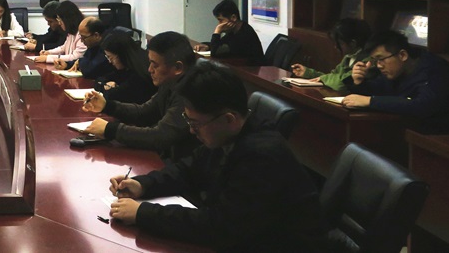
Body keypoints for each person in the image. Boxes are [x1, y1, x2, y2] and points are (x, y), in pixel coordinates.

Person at [107, 61, 328, 252]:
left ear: (229, 119)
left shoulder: (262, 156)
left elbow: (220, 227)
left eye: (195, 123)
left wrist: (143, 213)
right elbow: (188, 169)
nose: (191, 130)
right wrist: (142, 184)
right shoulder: (229, 134)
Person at [81, 31, 199, 160]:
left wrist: (110, 130)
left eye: (155, 65)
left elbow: (160, 136)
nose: (149, 69)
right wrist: (106, 106)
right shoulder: (170, 83)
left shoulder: (190, 93)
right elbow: (144, 112)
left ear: (177, 68)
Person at [342, 30, 449, 134]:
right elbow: (378, 89)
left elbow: (422, 105)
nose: (379, 65)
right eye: (375, 61)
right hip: (416, 131)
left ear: (402, 55)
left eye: (381, 59)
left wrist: (370, 101)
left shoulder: (435, 69)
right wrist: (359, 83)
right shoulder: (396, 70)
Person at [291, 18, 372, 91]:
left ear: (352, 43)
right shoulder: (348, 57)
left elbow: (341, 84)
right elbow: (332, 76)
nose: (336, 47)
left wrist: (324, 78)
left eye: (340, 43)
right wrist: (308, 73)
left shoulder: (367, 61)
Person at [94, 30, 156, 104]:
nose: (110, 61)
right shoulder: (126, 66)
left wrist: (108, 88)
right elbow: (99, 80)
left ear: (121, 55)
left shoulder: (139, 74)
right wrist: (105, 85)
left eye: (110, 57)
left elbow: (111, 95)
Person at [194, 0, 264, 65]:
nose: (219, 24)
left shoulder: (244, 34)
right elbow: (221, 44)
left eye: (221, 20)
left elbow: (215, 53)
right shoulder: (234, 31)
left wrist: (217, 31)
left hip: (252, 71)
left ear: (233, 18)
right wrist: (207, 46)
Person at [34, 0, 86, 67]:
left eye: (60, 20)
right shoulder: (71, 32)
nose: (59, 23)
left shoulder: (82, 33)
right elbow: (63, 48)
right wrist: (49, 52)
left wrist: (48, 58)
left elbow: (75, 57)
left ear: (67, 20)